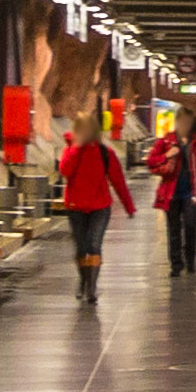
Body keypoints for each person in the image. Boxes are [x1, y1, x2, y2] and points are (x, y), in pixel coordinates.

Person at [54, 107, 137, 306]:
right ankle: (83, 280)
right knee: (82, 248)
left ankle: (91, 286)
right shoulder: (71, 149)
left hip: (100, 206)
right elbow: (65, 170)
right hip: (76, 207)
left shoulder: (104, 153)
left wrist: (129, 206)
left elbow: (118, 180)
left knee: (94, 245)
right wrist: (76, 147)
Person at [144, 114, 196, 274]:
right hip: (171, 192)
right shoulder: (167, 141)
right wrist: (167, 155)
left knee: (191, 226)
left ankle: (190, 259)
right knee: (173, 228)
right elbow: (151, 161)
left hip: (192, 191)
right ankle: (176, 264)